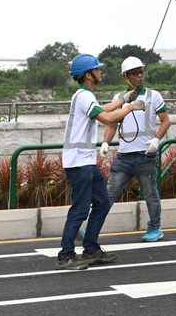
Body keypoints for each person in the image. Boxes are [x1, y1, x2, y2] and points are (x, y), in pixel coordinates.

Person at [58, 54, 143, 270]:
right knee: (80, 209)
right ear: (88, 75)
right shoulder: (84, 96)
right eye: (97, 69)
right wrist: (131, 107)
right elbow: (106, 118)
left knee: (103, 202)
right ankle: (66, 256)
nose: (100, 71)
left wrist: (124, 99)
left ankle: (91, 250)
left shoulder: (86, 96)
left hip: (86, 161)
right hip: (78, 163)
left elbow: (103, 109)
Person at [102, 56, 172, 242]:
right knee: (108, 194)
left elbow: (166, 121)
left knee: (151, 194)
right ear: (126, 77)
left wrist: (157, 140)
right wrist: (105, 142)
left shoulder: (153, 96)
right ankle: (92, 227)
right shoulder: (118, 99)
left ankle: (155, 228)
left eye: (141, 72)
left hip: (146, 155)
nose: (140, 76)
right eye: (134, 73)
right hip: (123, 156)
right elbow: (112, 124)